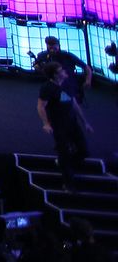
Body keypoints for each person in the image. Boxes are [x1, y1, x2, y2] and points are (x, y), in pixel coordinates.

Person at [39, 61, 92, 189]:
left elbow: (74, 104)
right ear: (56, 75)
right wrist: (46, 123)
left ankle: (65, 165)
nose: (64, 71)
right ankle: (68, 183)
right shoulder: (48, 88)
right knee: (63, 152)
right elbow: (41, 106)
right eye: (61, 70)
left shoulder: (67, 85)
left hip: (72, 122)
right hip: (58, 124)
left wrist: (85, 122)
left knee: (83, 151)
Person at [34, 36, 90, 100]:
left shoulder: (67, 56)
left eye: (54, 47)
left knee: (70, 103)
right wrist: (38, 67)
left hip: (68, 84)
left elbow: (86, 67)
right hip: (53, 85)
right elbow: (37, 67)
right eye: (50, 47)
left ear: (58, 45)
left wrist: (88, 80)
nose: (52, 50)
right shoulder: (42, 56)